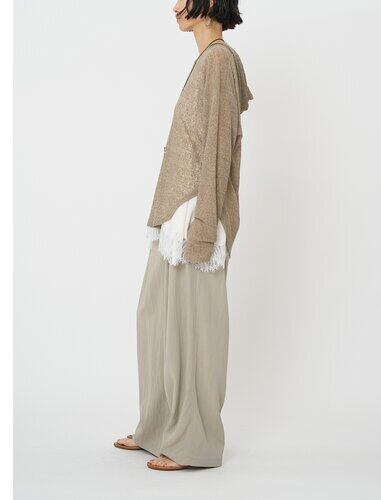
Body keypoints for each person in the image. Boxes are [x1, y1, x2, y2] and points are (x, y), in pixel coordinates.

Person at [114, 0, 253, 471]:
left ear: (211, 3)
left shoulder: (219, 61)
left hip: (197, 214)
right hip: (177, 213)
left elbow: (218, 148)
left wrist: (205, 225)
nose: (175, 6)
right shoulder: (206, 60)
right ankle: (157, 428)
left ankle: (194, 443)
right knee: (155, 317)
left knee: (195, 331)